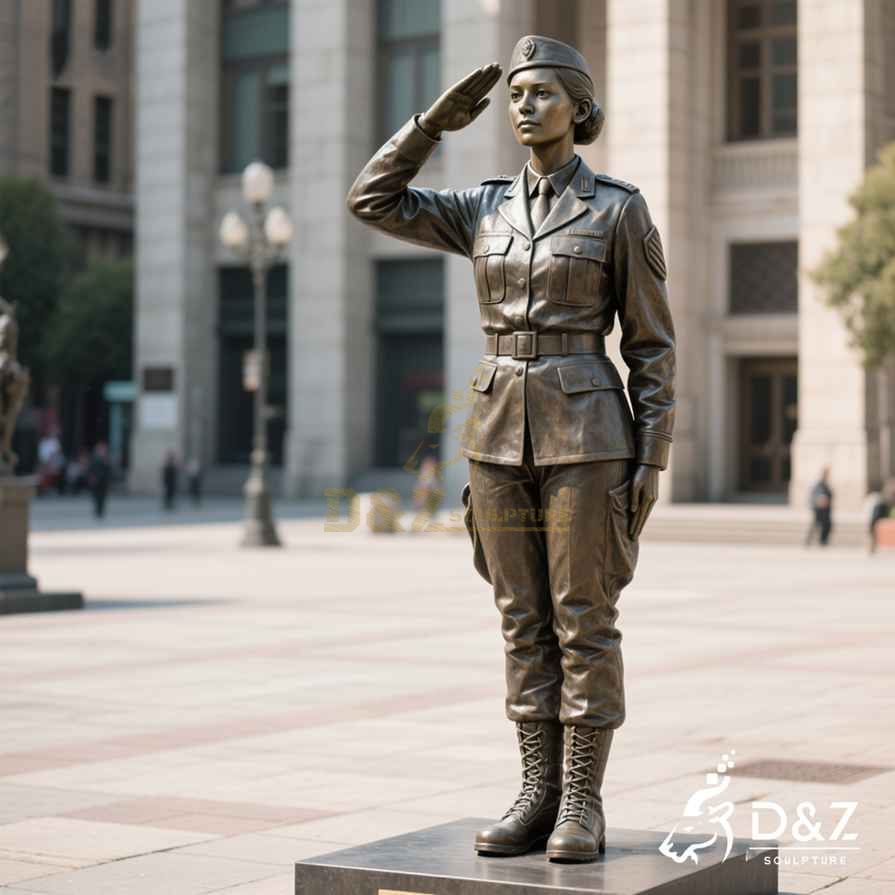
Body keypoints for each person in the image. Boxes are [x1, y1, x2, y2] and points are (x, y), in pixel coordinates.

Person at [347, 36, 675, 863]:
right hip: (496, 430)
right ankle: (536, 790)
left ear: (578, 108)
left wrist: (650, 457)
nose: (522, 104)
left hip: (587, 432)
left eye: (540, 92)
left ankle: (582, 801)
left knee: (583, 621)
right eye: (514, 93)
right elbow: (372, 200)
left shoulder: (616, 209)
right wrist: (428, 124)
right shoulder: (480, 207)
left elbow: (651, 349)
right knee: (519, 619)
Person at [805, 466, 833, 547]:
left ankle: (823, 540)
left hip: (826, 509)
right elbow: (816, 496)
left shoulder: (825, 483)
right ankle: (811, 540)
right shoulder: (818, 484)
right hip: (819, 509)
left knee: (826, 525)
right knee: (816, 524)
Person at [868, 479, 894, 554]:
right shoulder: (881, 504)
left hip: (888, 512)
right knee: (876, 515)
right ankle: (873, 542)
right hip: (885, 512)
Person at [87, 442, 111, 519]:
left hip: (103, 482)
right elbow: (90, 469)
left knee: (102, 497)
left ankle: (100, 511)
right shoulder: (94, 459)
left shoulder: (106, 459)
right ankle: (97, 511)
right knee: (96, 497)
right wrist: (91, 477)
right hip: (96, 481)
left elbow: (108, 471)